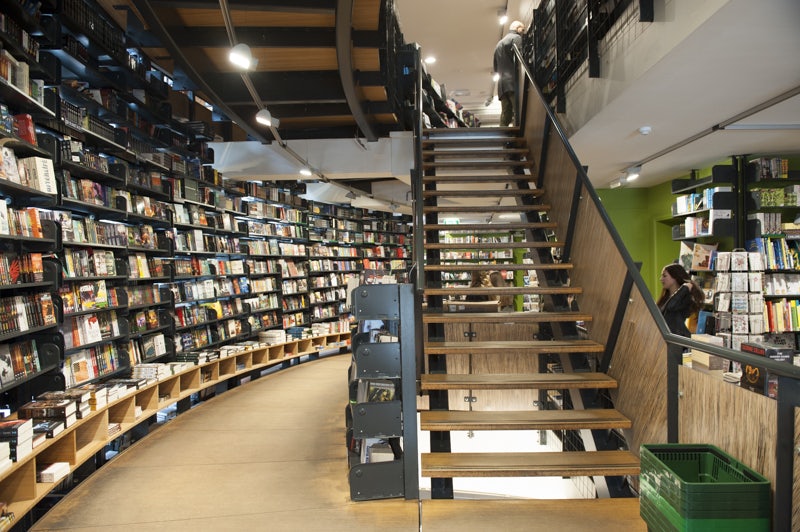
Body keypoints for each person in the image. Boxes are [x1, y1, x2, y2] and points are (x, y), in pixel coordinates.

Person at [657, 263, 705, 338]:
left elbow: (671, 306)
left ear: (675, 277)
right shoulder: (665, 297)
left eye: (664, 276)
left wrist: (685, 288)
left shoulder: (686, 298)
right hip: (663, 338)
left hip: (677, 340)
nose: (661, 279)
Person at [493, 20, 525, 127]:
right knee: (518, 110)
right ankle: (518, 134)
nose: (523, 32)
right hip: (512, 81)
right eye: (522, 29)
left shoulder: (498, 44)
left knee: (505, 115)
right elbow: (520, 57)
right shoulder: (516, 38)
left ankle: (501, 138)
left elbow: (496, 68)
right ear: (517, 28)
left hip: (502, 85)